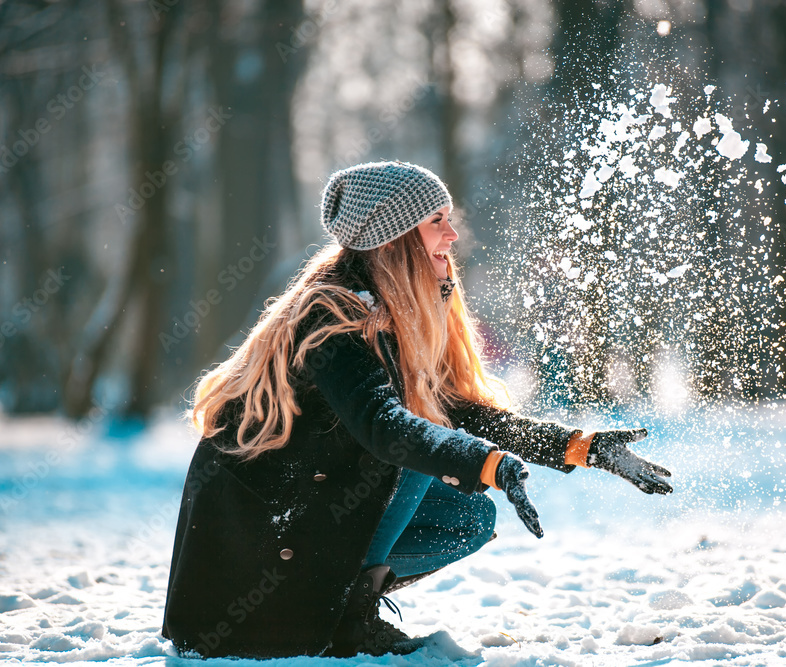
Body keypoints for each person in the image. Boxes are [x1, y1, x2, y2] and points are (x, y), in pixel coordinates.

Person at [161, 161, 673, 660]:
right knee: (407, 450)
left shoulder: (385, 311)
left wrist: (580, 448)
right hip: (249, 569)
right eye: (436, 221)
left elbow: (461, 412)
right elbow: (386, 428)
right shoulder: (333, 316)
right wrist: (485, 463)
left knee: (468, 516)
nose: (451, 235)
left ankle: (342, 605)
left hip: (302, 527)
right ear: (394, 237)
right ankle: (347, 620)